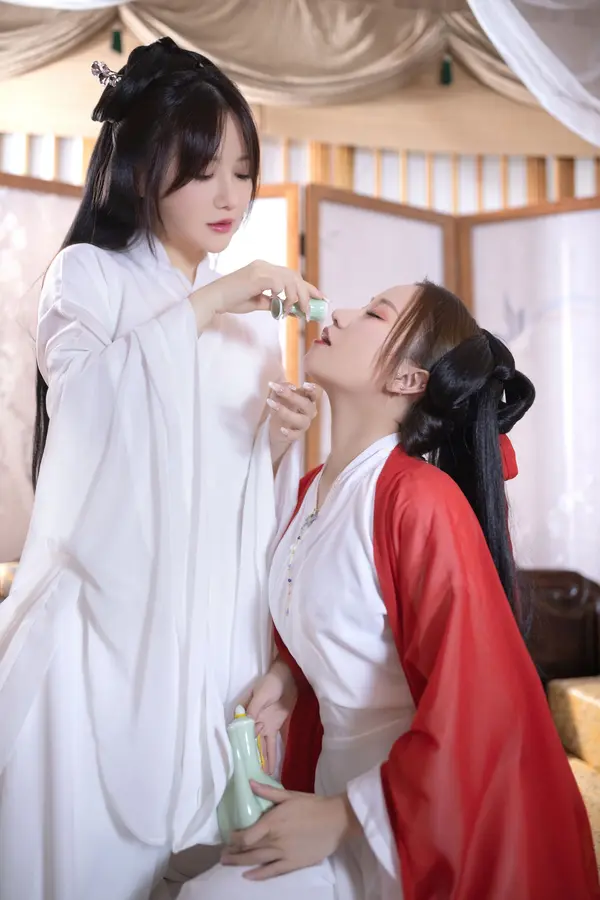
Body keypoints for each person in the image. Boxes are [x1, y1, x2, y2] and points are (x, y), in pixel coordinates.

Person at [0, 38, 322, 900]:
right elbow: (86, 424)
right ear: (145, 168)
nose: (231, 197)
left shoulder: (252, 324)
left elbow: (220, 488)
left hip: (206, 628)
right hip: (98, 638)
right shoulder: (89, 276)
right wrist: (213, 298)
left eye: (243, 173)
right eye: (204, 171)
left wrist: (272, 444)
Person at [179, 281, 600, 899]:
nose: (341, 312)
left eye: (374, 313)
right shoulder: (312, 488)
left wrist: (344, 818)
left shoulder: (419, 500)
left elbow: (479, 705)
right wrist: (287, 677)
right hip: (333, 791)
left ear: (408, 379)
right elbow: (342, 619)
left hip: (411, 822)